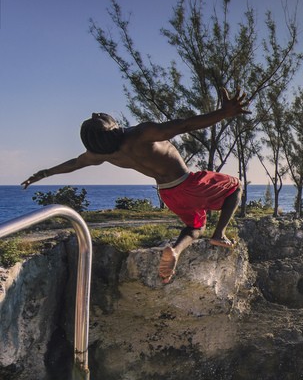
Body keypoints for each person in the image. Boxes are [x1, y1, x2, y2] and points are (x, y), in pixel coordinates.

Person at [21, 88, 250, 283]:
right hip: (187, 183)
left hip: (168, 194)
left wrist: (43, 174)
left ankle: (176, 250)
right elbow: (185, 125)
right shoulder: (142, 134)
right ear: (110, 128)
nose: (95, 113)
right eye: (98, 117)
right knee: (235, 186)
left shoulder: (105, 154)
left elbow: (74, 164)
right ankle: (219, 233)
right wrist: (224, 113)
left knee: (195, 226)